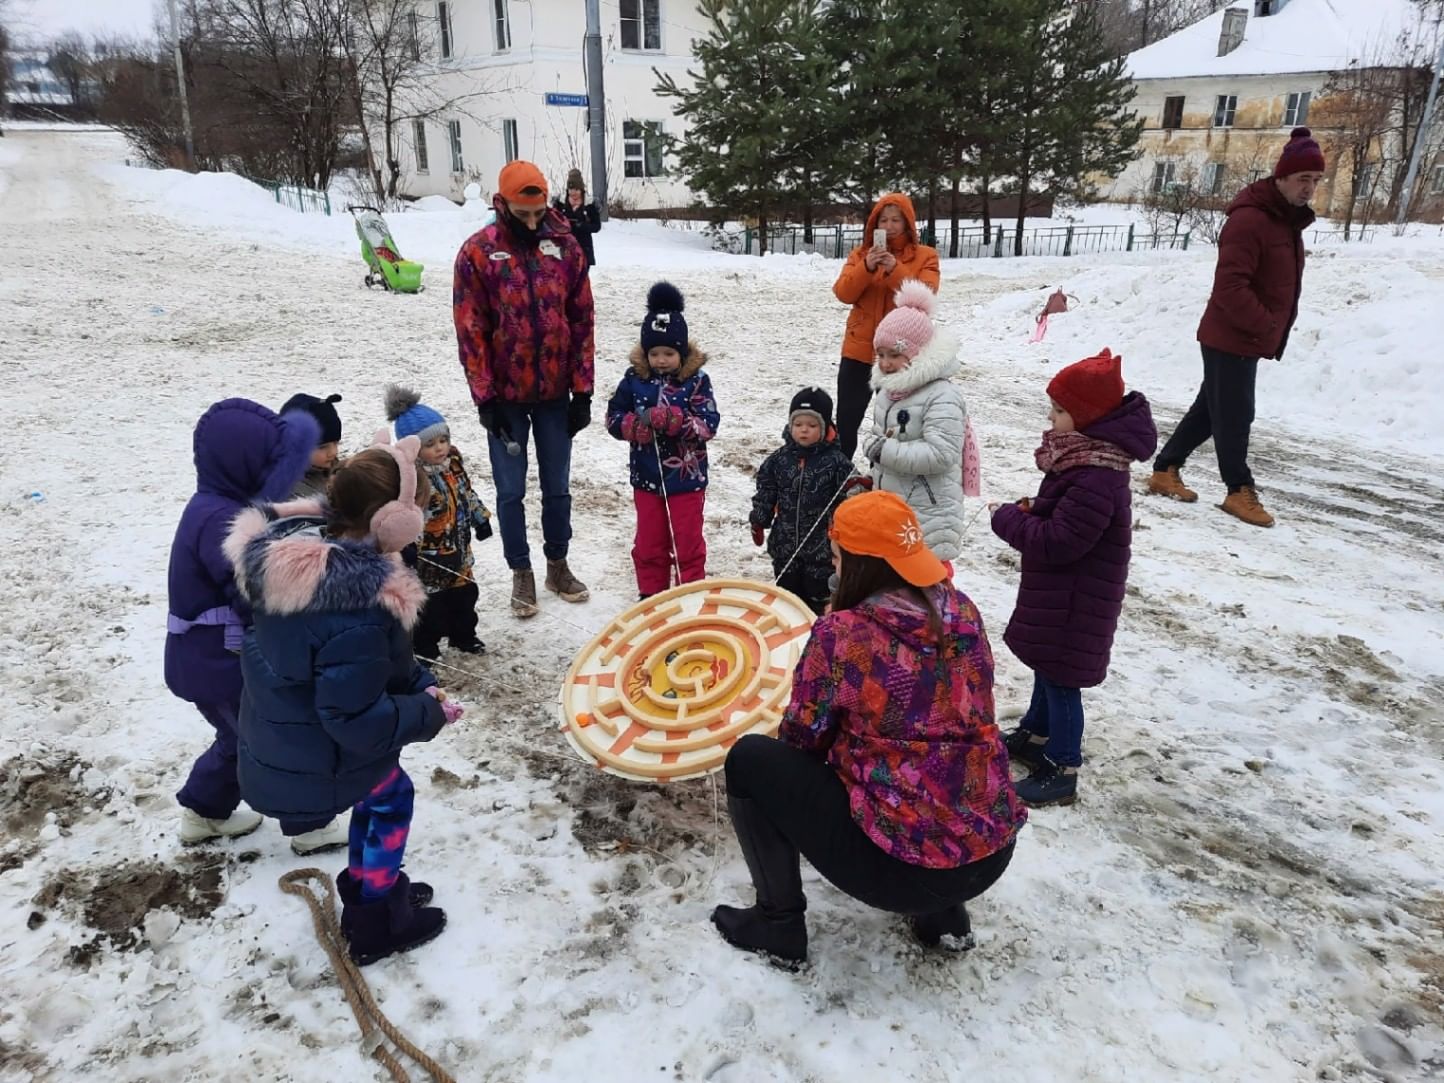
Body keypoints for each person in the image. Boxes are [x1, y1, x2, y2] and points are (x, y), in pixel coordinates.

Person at [711, 491, 1026, 966]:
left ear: (861, 563)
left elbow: (802, 741)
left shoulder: (844, 632)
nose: (833, 566)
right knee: (942, 754)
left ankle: (777, 923)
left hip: (900, 871)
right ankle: (944, 919)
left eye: (838, 556)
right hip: (990, 850)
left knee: (751, 760)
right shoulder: (961, 610)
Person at [226, 436, 461, 965]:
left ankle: (372, 885)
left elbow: (365, 669)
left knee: (378, 797)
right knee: (390, 799)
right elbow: (354, 717)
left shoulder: (305, 559)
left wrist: (417, 680)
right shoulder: (356, 605)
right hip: (322, 752)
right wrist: (427, 712)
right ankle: (377, 917)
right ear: (390, 523)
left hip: (301, 733)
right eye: (417, 512)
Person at [164, 398, 348, 855]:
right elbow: (253, 591)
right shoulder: (220, 520)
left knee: (242, 737)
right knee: (275, 737)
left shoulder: (223, 505)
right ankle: (310, 826)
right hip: (218, 663)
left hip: (217, 659)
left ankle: (205, 812)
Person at [990, 350, 1157, 807]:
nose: (1051, 417)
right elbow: (1064, 518)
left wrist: (1009, 521)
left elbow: (1061, 541)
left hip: (1077, 600)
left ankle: (1062, 766)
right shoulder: (1084, 463)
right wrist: (1034, 508)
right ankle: (1036, 734)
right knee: (1049, 666)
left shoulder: (1097, 474)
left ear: (1086, 417)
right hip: (1064, 595)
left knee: (1063, 681)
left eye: (1060, 410)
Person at [1148, 126, 1325, 528]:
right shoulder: (1251, 220)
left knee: (1211, 410)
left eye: (1315, 180)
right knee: (1236, 414)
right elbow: (1230, 286)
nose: (1309, 188)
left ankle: (1165, 469)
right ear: (1281, 177)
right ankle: (1237, 489)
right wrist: (1265, 326)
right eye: (1302, 179)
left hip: (1246, 334)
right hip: (1232, 334)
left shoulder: (1284, 220)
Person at [453, 159, 595, 617]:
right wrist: (484, 397)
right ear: (504, 203)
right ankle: (522, 572)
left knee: (556, 486)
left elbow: (582, 319)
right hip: (506, 400)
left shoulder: (566, 247)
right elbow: (469, 328)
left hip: (555, 394)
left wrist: (583, 390)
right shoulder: (478, 253)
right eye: (523, 213)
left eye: (537, 213)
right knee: (511, 490)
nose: (532, 222)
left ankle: (557, 563)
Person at [605, 282, 720, 598]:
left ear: (681, 352)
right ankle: (651, 596)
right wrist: (630, 426)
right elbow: (613, 416)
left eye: (668, 353)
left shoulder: (696, 382)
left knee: (687, 541)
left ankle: (689, 593)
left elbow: (708, 424)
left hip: (686, 479)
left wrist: (675, 421)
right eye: (654, 353)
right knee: (649, 542)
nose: (661, 360)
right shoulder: (634, 379)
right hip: (646, 479)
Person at [863, 280, 967, 567]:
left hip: (928, 512)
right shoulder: (889, 391)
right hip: (895, 507)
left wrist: (884, 452)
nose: (884, 363)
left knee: (925, 585)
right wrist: (873, 476)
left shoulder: (942, 395)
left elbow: (941, 454)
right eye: (880, 355)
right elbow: (886, 437)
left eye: (894, 355)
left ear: (918, 353)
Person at [384, 385, 493, 659]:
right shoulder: (412, 480)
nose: (440, 448)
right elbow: (408, 516)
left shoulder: (453, 464)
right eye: (430, 445)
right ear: (414, 449)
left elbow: (466, 493)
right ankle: (425, 647)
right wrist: (410, 547)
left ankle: (464, 636)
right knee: (432, 606)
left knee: (466, 595)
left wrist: (480, 518)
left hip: (460, 550)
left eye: (442, 440)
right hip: (430, 558)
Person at [831, 193, 940, 459]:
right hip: (858, 351)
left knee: (895, 420)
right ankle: (840, 474)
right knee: (847, 419)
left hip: (900, 354)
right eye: (883, 220)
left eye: (896, 220)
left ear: (908, 224)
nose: (889, 226)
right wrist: (866, 267)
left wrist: (896, 268)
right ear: (874, 224)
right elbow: (843, 293)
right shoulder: (860, 255)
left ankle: (887, 473)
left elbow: (925, 295)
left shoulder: (926, 257)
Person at [750, 387, 858, 615]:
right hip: (785, 546)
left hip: (821, 553)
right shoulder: (778, 460)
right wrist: (760, 519)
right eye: (798, 425)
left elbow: (850, 495)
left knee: (819, 599)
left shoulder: (837, 462)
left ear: (825, 428)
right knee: (787, 600)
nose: (804, 431)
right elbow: (766, 490)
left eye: (812, 425)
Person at [280, 392, 344, 500]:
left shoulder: (338, 470)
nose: (333, 452)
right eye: (322, 447)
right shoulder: (286, 490)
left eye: (336, 443)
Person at [554, 167, 601, 271]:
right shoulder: (561, 204)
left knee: (582, 281)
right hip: (565, 249)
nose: (573, 193)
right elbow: (553, 223)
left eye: (576, 190)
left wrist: (582, 226)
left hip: (584, 247)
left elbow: (597, 226)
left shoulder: (589, 204)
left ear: (581, 189)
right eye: (571, 189)